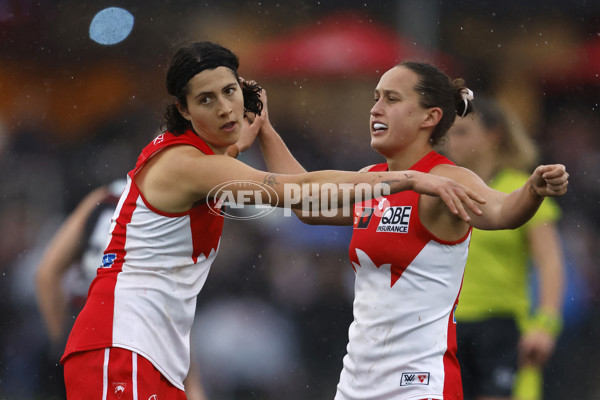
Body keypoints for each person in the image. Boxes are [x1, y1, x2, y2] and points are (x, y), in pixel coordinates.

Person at [59, 42, 486, 400]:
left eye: (230, 92)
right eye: (207, 100)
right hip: (122, 342)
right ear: (184, 111)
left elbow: (239, 173)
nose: (226, 108)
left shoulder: (199, 160)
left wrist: (250, 137)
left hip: (146, 346)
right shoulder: (190, 164)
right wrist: (407, 178)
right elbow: (300, 193)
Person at [252, 61, 569, 400]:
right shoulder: (371, 177)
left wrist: (533, 191)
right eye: (376, 98)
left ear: (429, 117)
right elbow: (306, 205)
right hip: (356, 383)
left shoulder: (448, 178)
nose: (375, 108)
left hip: (418, 384)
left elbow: (502, 211)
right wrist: (265, 131)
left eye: (391, 99)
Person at [36, 179, 208, 400]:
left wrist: (62, 345)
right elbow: (171, 304)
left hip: (85, 328)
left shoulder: (104, 197)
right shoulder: (174, 209)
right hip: (135, 334)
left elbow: (47, 273)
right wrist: (192, 383)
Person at [445, 96, 565, 400]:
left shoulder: (523, 188)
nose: (449, 141)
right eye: (448, 132)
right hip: (446, 324)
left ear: (493, 135)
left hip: (500, 325)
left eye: (461, 132)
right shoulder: (440, 188)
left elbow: (550, 263)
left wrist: (546, 325)